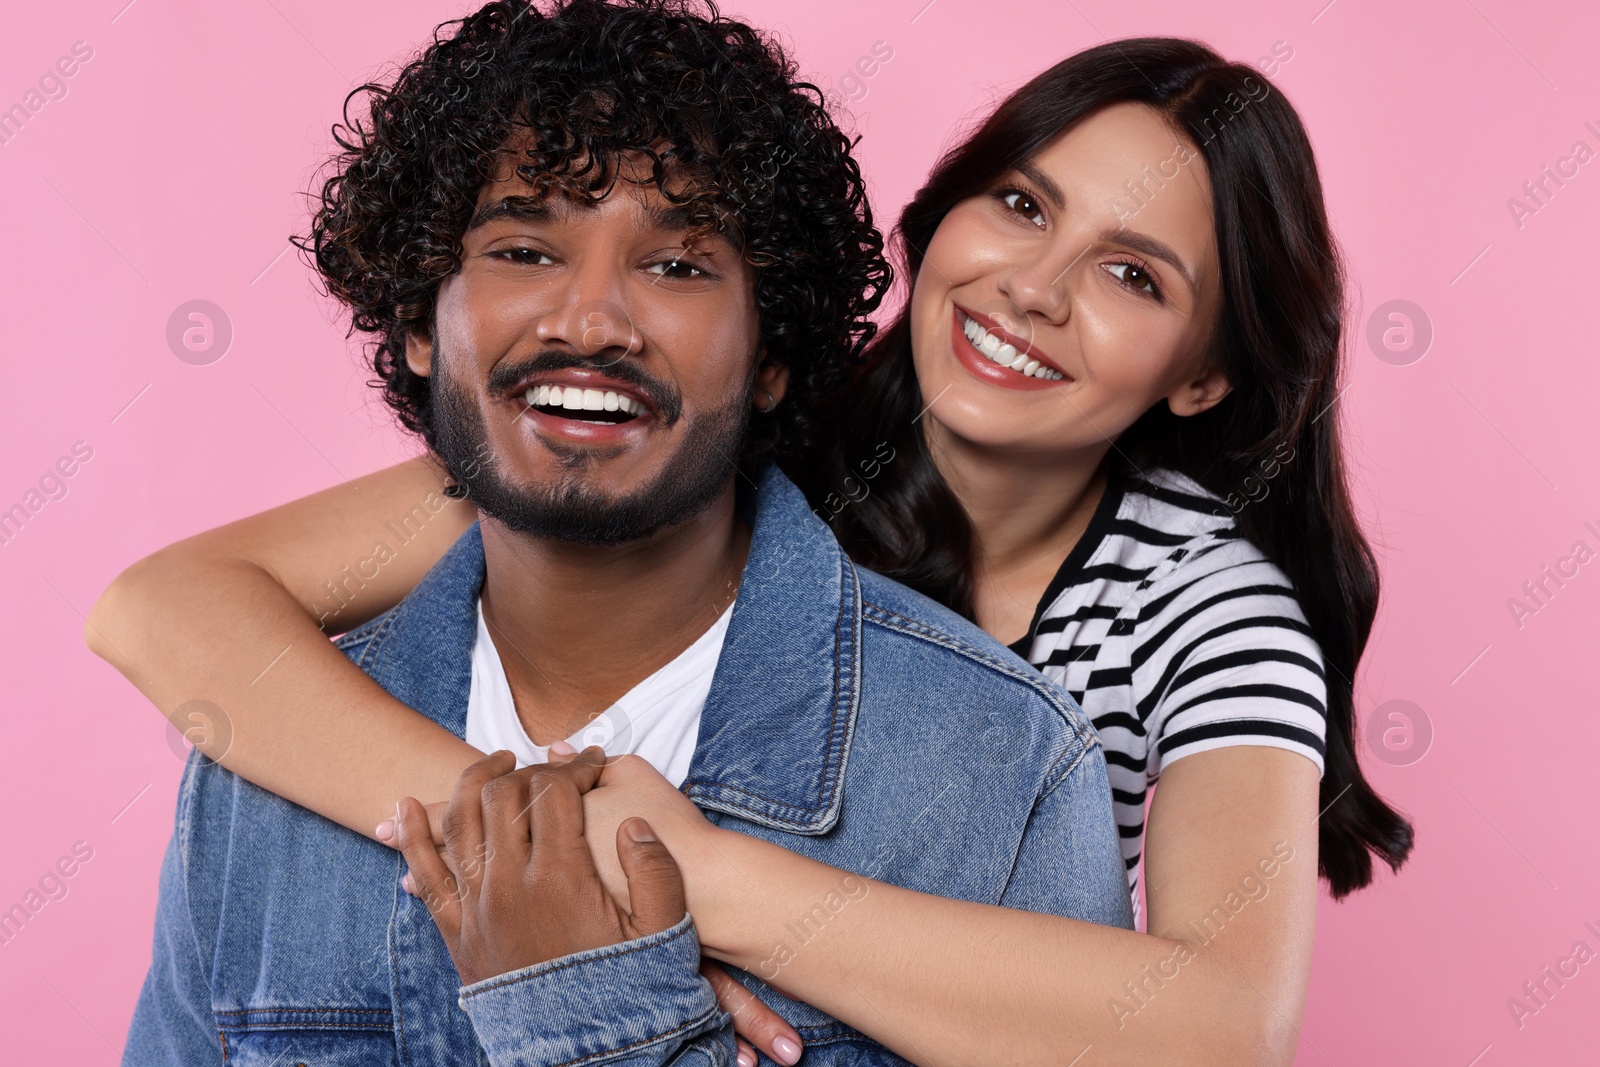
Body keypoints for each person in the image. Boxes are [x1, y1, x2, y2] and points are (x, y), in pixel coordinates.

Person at [89, 17, 1416, 1067]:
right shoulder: (698, 428)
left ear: (1202, 375)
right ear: (939, 216)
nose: (1037, 287)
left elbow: (1226, 1034)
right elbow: (168, 608)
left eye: (1136, 276)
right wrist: (531, 840)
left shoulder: (1195, 619)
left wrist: (692, 889)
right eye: (1021, 206)